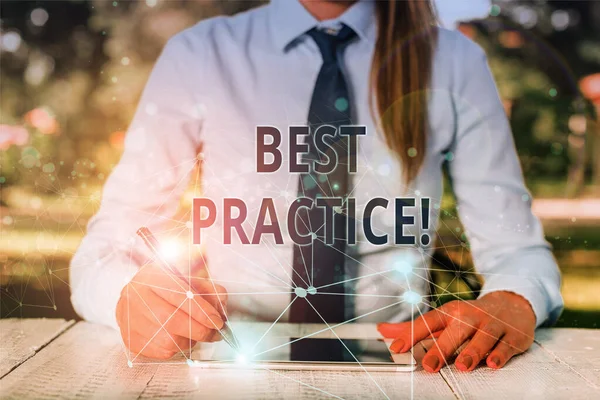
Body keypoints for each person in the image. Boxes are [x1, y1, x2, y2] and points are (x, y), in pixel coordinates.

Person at [70, 0, 563, 373]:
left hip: (399, 371)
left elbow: (518, 252)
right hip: (230, 366)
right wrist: (124, 297)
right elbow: (106, 250)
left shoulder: (452, 62)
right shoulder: (200, 56)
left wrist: (515, 300)